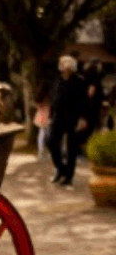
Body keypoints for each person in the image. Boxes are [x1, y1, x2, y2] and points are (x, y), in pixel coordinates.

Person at [48, 55, 89, 187]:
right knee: (51, 142)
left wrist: (83, 118)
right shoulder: (58, 79)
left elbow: (84, 101)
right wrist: (50, 115)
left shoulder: (79, 81)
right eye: (62, 63)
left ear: (71, 66)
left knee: (71, 148)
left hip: (73, 117)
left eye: (66, 63)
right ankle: (61, 169)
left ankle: (68, 177)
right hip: (57, 117)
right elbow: (53, 98)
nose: (63, 66)